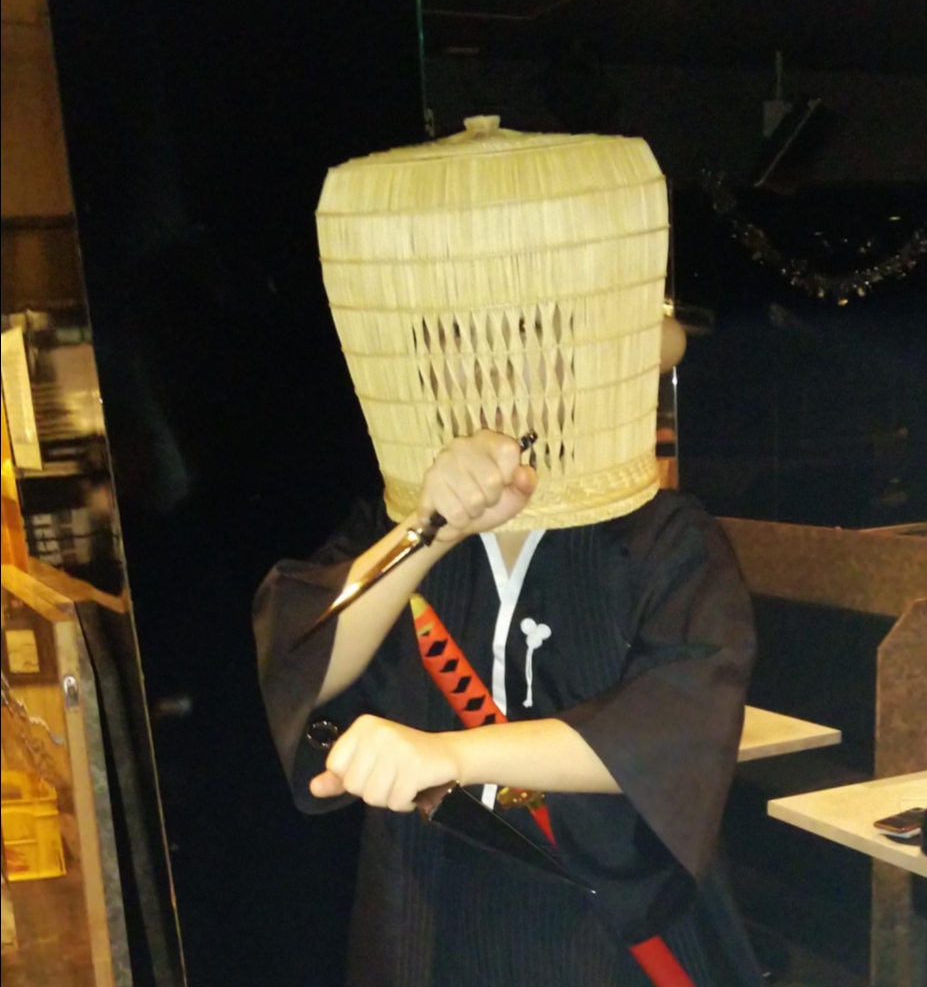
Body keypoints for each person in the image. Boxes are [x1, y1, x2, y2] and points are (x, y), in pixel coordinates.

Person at [253, 118, 762, 986]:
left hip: (603, 931)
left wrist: (452, 754)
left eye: (533, 345)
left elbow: (673, 726)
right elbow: (302, 649)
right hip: (424, 919)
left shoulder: (665, 537)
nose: (494, 377)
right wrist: (429, 529)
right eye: (458, 349)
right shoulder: (397, 525)